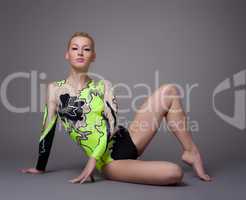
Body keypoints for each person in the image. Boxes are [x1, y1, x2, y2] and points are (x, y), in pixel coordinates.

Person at [21, 32, 211, 185]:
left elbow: (110, 125)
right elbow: (47, 129)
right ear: (67, 54)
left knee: (169, 91)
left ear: (92, 56)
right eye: (75, 48)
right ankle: (137, 167)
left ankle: (190, 151)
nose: (80, 52)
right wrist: (40, 166)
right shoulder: (55, 89)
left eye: (86, 49)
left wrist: (91, 160)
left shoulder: (103, 86)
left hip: (127, 139)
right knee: (174, 173)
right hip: (110, 161)